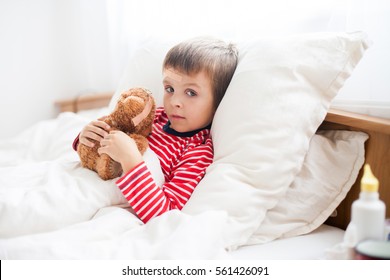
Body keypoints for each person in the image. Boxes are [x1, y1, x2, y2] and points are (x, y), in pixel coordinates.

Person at [73, 37, 238, 223]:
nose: (175, 101)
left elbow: (163, 214)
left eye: (191, 93)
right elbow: (100, 141)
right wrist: (86, 137)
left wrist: (131, 160)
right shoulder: (151, 116)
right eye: (169, 89)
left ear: (217, 104)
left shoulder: (197, 152)